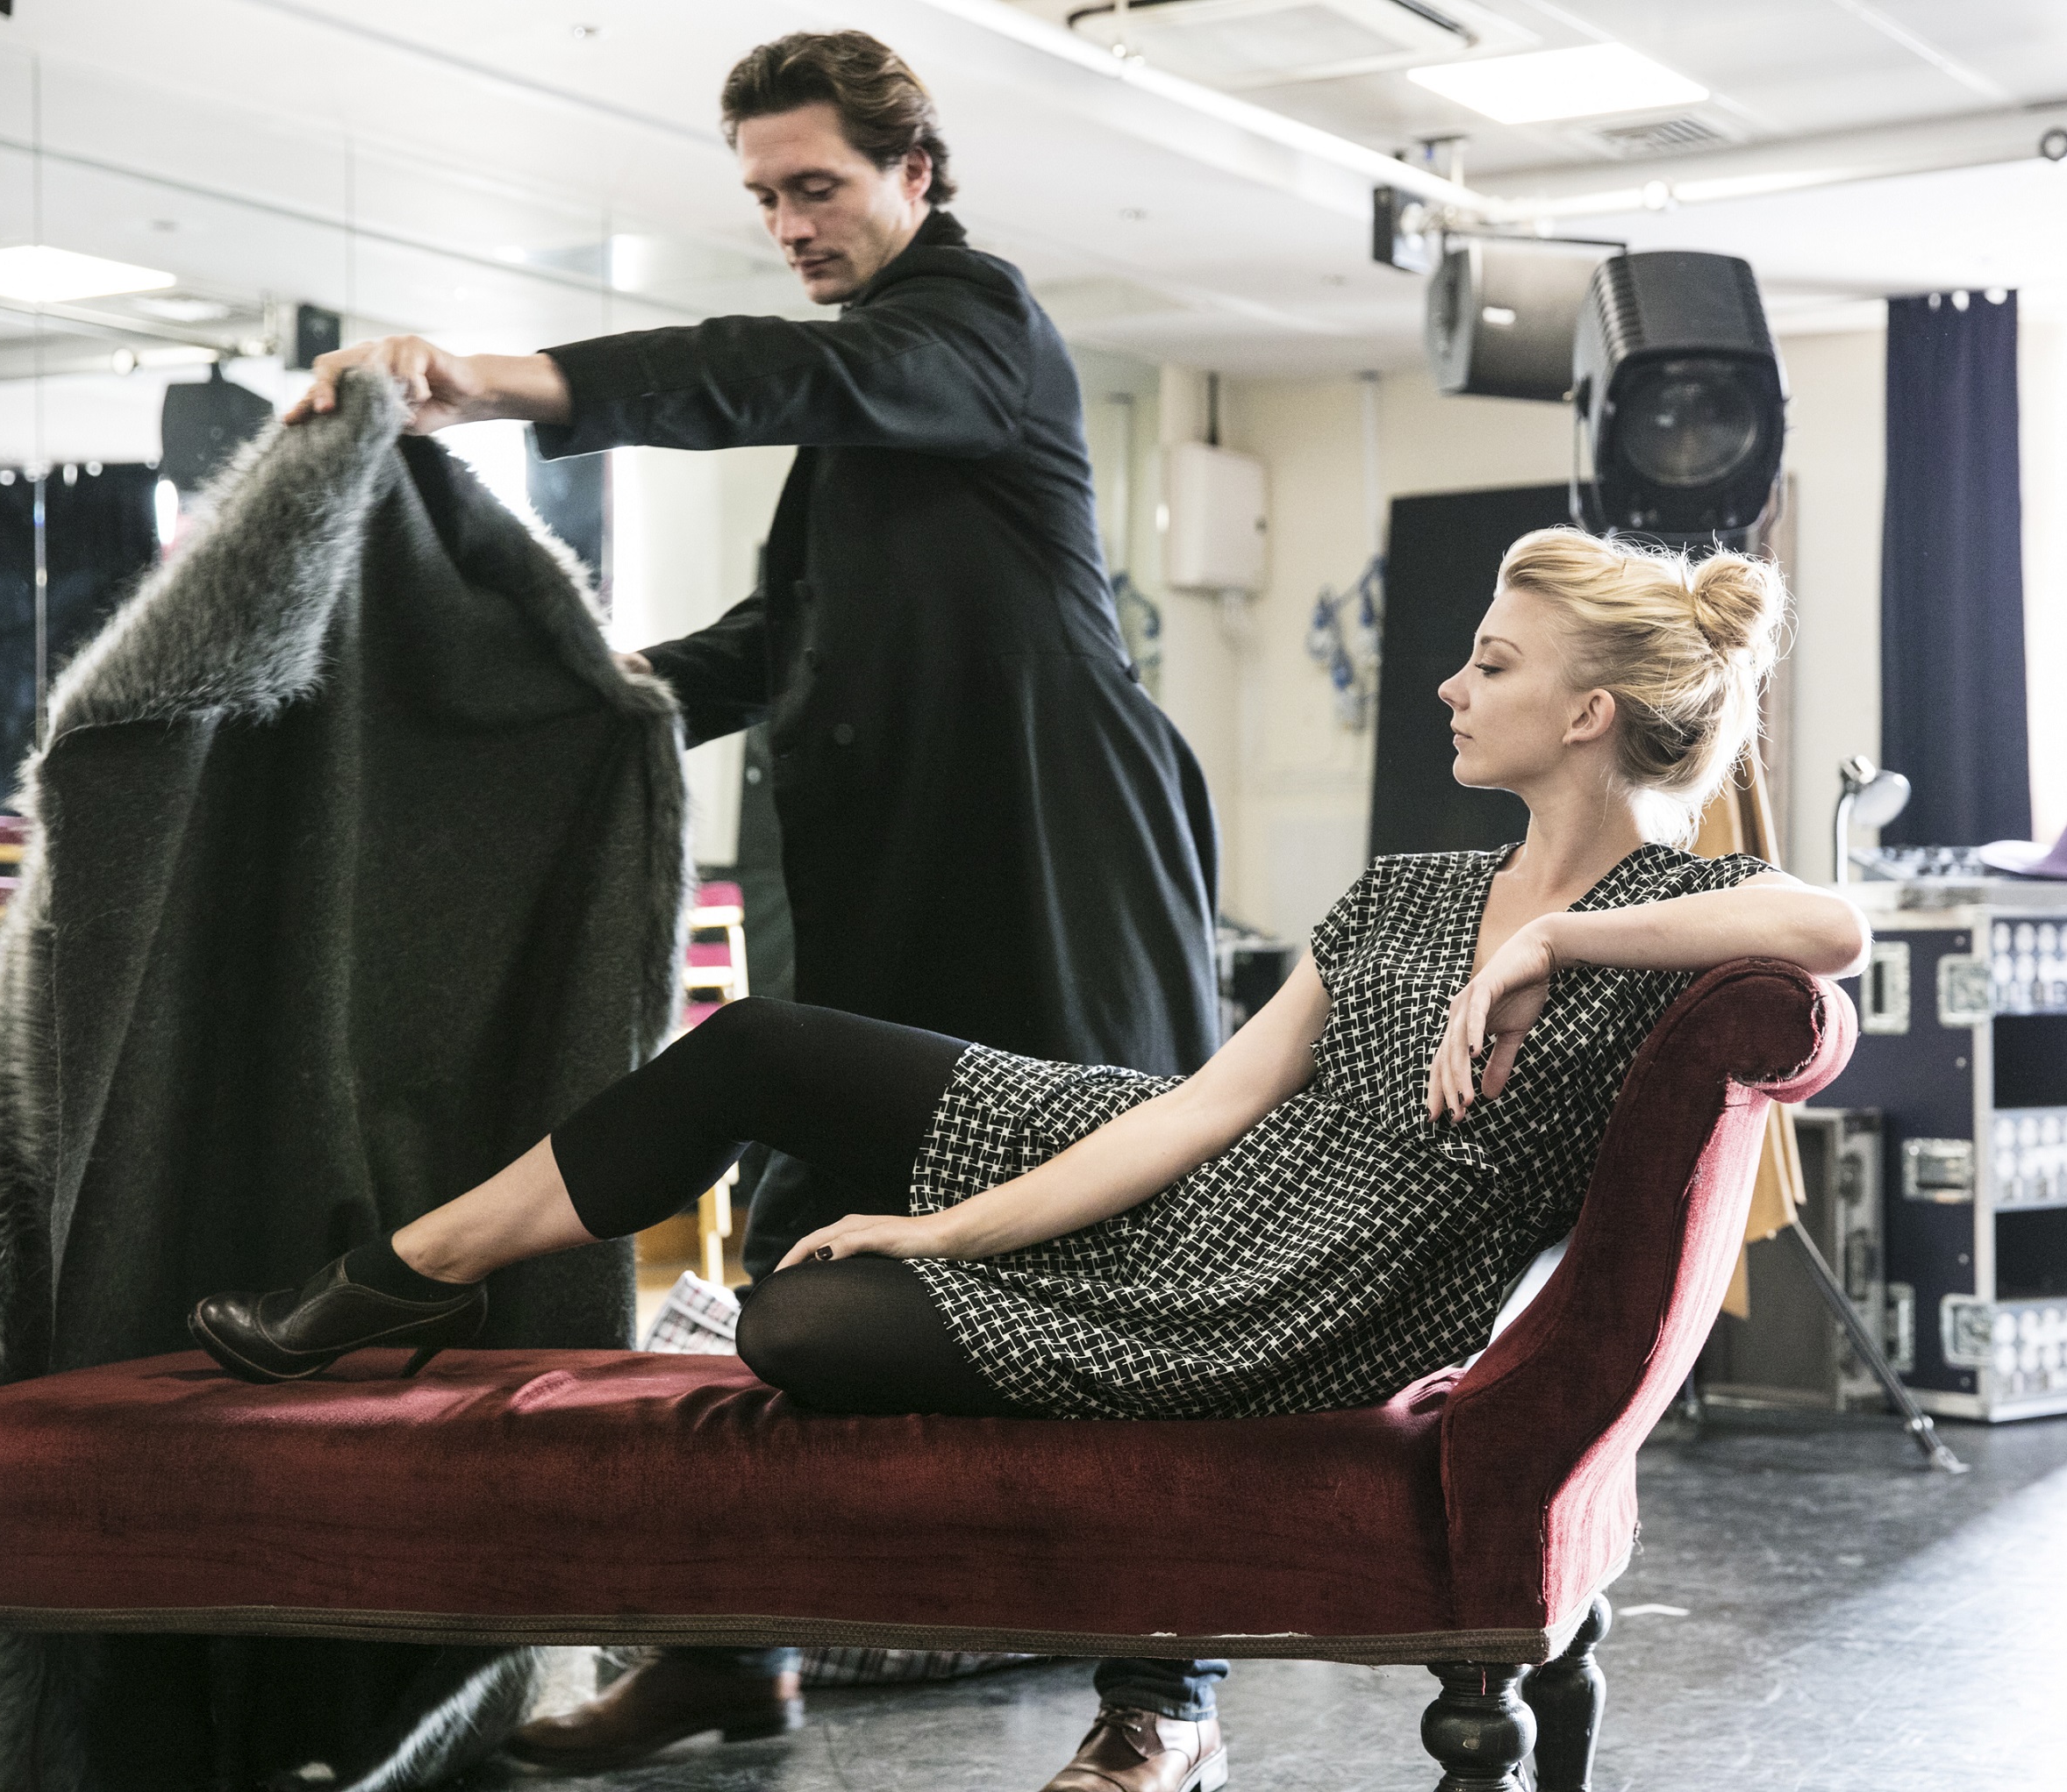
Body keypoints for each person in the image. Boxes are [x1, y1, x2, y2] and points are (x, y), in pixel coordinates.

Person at [194, 525, 1868, 1792]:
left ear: (1586, 711)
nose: (1450, 685)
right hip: (1200, 1187)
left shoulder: (1673, 919)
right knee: (763, 1045)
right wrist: (941, 1231)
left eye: (1489, 665)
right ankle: (396, 1278)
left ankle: (1154, 1694)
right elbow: (1198, 1110)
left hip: (1304, 1297)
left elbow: (1829, 930)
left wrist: (1554, 944)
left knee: (795, 1324)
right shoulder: (1405, 892)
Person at [279, 29, 1226, 1785]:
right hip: (889, 879)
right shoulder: (876, 419)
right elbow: (777, 641)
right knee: (794, 1240)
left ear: (913, 176)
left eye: (816, 186)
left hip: (1050, 863)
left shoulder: (973, 327)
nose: (789, 222)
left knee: (1118, 1258)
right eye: (764, 196)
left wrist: (501, 380)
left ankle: (1164, 1700)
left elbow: (758, 373)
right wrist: (572, 706)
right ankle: (732, 1655)